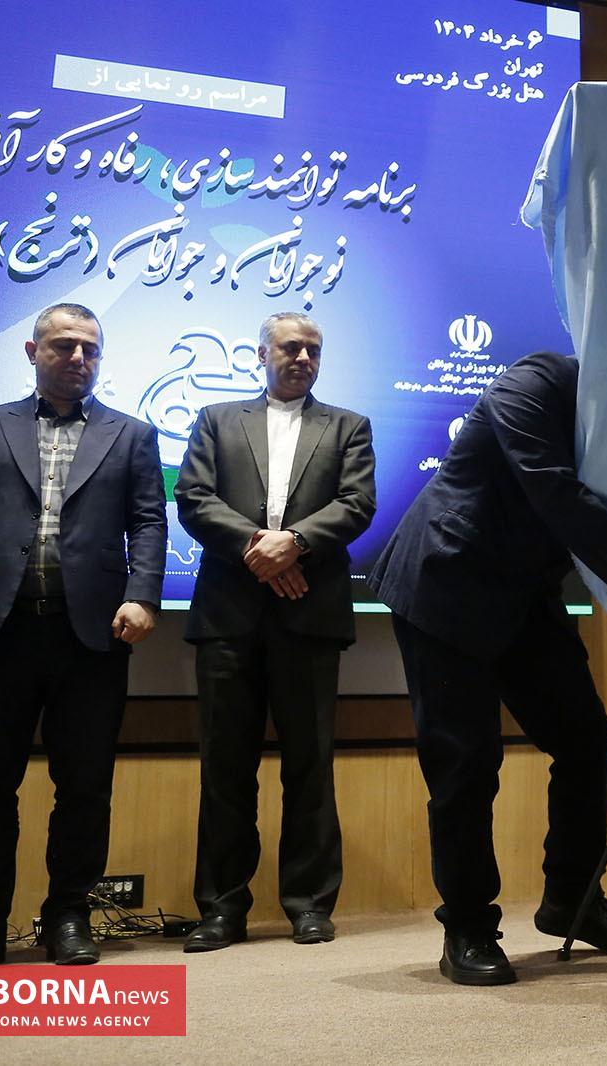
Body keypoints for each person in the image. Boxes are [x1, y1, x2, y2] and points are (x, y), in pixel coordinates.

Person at [369, 350, 607, 986]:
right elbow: (552, 488)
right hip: (447, 579)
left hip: (525, 594)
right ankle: (468, 925)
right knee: (466, 763)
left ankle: (572, 899)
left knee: (584, 736)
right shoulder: (534, 382)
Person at [0, 303, 167, 965]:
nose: (78, 358)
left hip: (91, 638)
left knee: (84, 788)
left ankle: (69, 917)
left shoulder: (132, 435)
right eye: (63, 345)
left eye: (90, 348)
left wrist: (143, 595)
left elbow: (148, 523)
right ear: (32, 351)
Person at [174, 311, 375, 953]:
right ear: (261, 354)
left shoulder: (348, 426)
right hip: (227, 616)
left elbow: (357, 504)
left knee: (310, 766)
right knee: (224, 767)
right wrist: (258, 548)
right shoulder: (215, 419)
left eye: (313, 349)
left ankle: (310, 905)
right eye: (290, 348)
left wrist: (296, 545)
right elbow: (193, 497)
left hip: (310, 615)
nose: (303, 358)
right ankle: (221, 910)